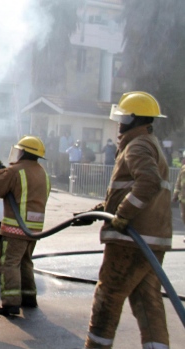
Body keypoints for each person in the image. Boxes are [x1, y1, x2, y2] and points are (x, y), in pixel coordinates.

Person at [74, 91, 172, 348]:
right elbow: (129, 188)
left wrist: (122, 214)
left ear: (133, 119)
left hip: (131, 240)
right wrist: (101, 209)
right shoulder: (150, 142)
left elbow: (147, 182)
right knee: (147, 302)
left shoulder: (137, 145)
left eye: (122, 118)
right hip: (152, 240)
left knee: (108, 295)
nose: (118, 124)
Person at [0, 136, 50, 316]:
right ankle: (29, 298)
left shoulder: (15, 171)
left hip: (16, 228)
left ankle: (11, 304)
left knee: (9, 264)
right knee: (25, 262)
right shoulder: (43, 173)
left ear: (22, 152)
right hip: (35, 229)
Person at [173, 151, 185, 241]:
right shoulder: (183, 169)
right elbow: (178, 183)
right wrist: (175, 195)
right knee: (184, 216)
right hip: (183, 198)